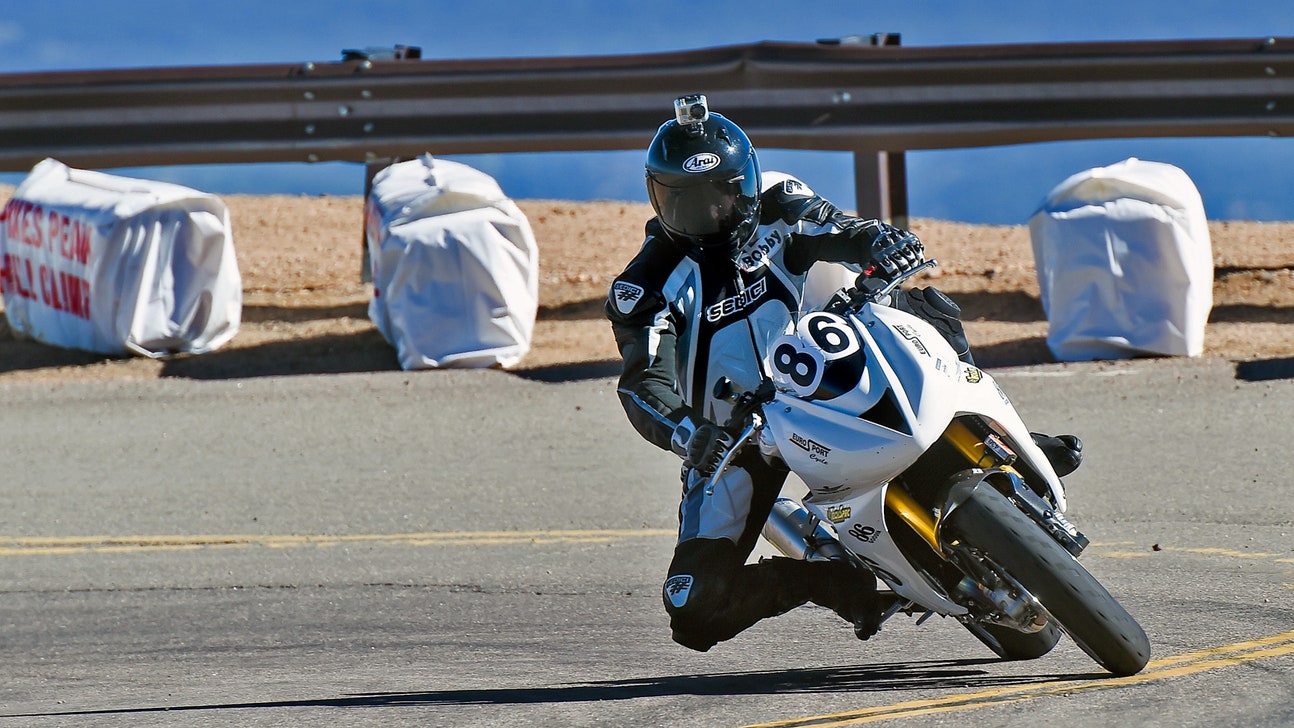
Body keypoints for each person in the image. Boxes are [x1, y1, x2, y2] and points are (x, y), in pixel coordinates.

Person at [605, 94, 1082, 653]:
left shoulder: (777, 201)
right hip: (737, 436)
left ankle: (1001, 434)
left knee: (921, 306)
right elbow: (642, 384)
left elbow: (841, 230)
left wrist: (882, 242)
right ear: (658, 199)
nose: (716, 213)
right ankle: (823, 577)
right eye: (688, 202)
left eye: (728, 193)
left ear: (748, 179)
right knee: (693, 607)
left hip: (822, 366)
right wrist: (691, 433)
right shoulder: (646, 285)